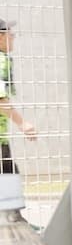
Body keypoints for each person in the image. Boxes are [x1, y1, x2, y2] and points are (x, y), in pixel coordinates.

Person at [0, 19, 37, 174]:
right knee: (10, 184)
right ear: (1, 36)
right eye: (10, 33)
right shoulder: (1, 60)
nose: (13, 37)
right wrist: (22, 123)